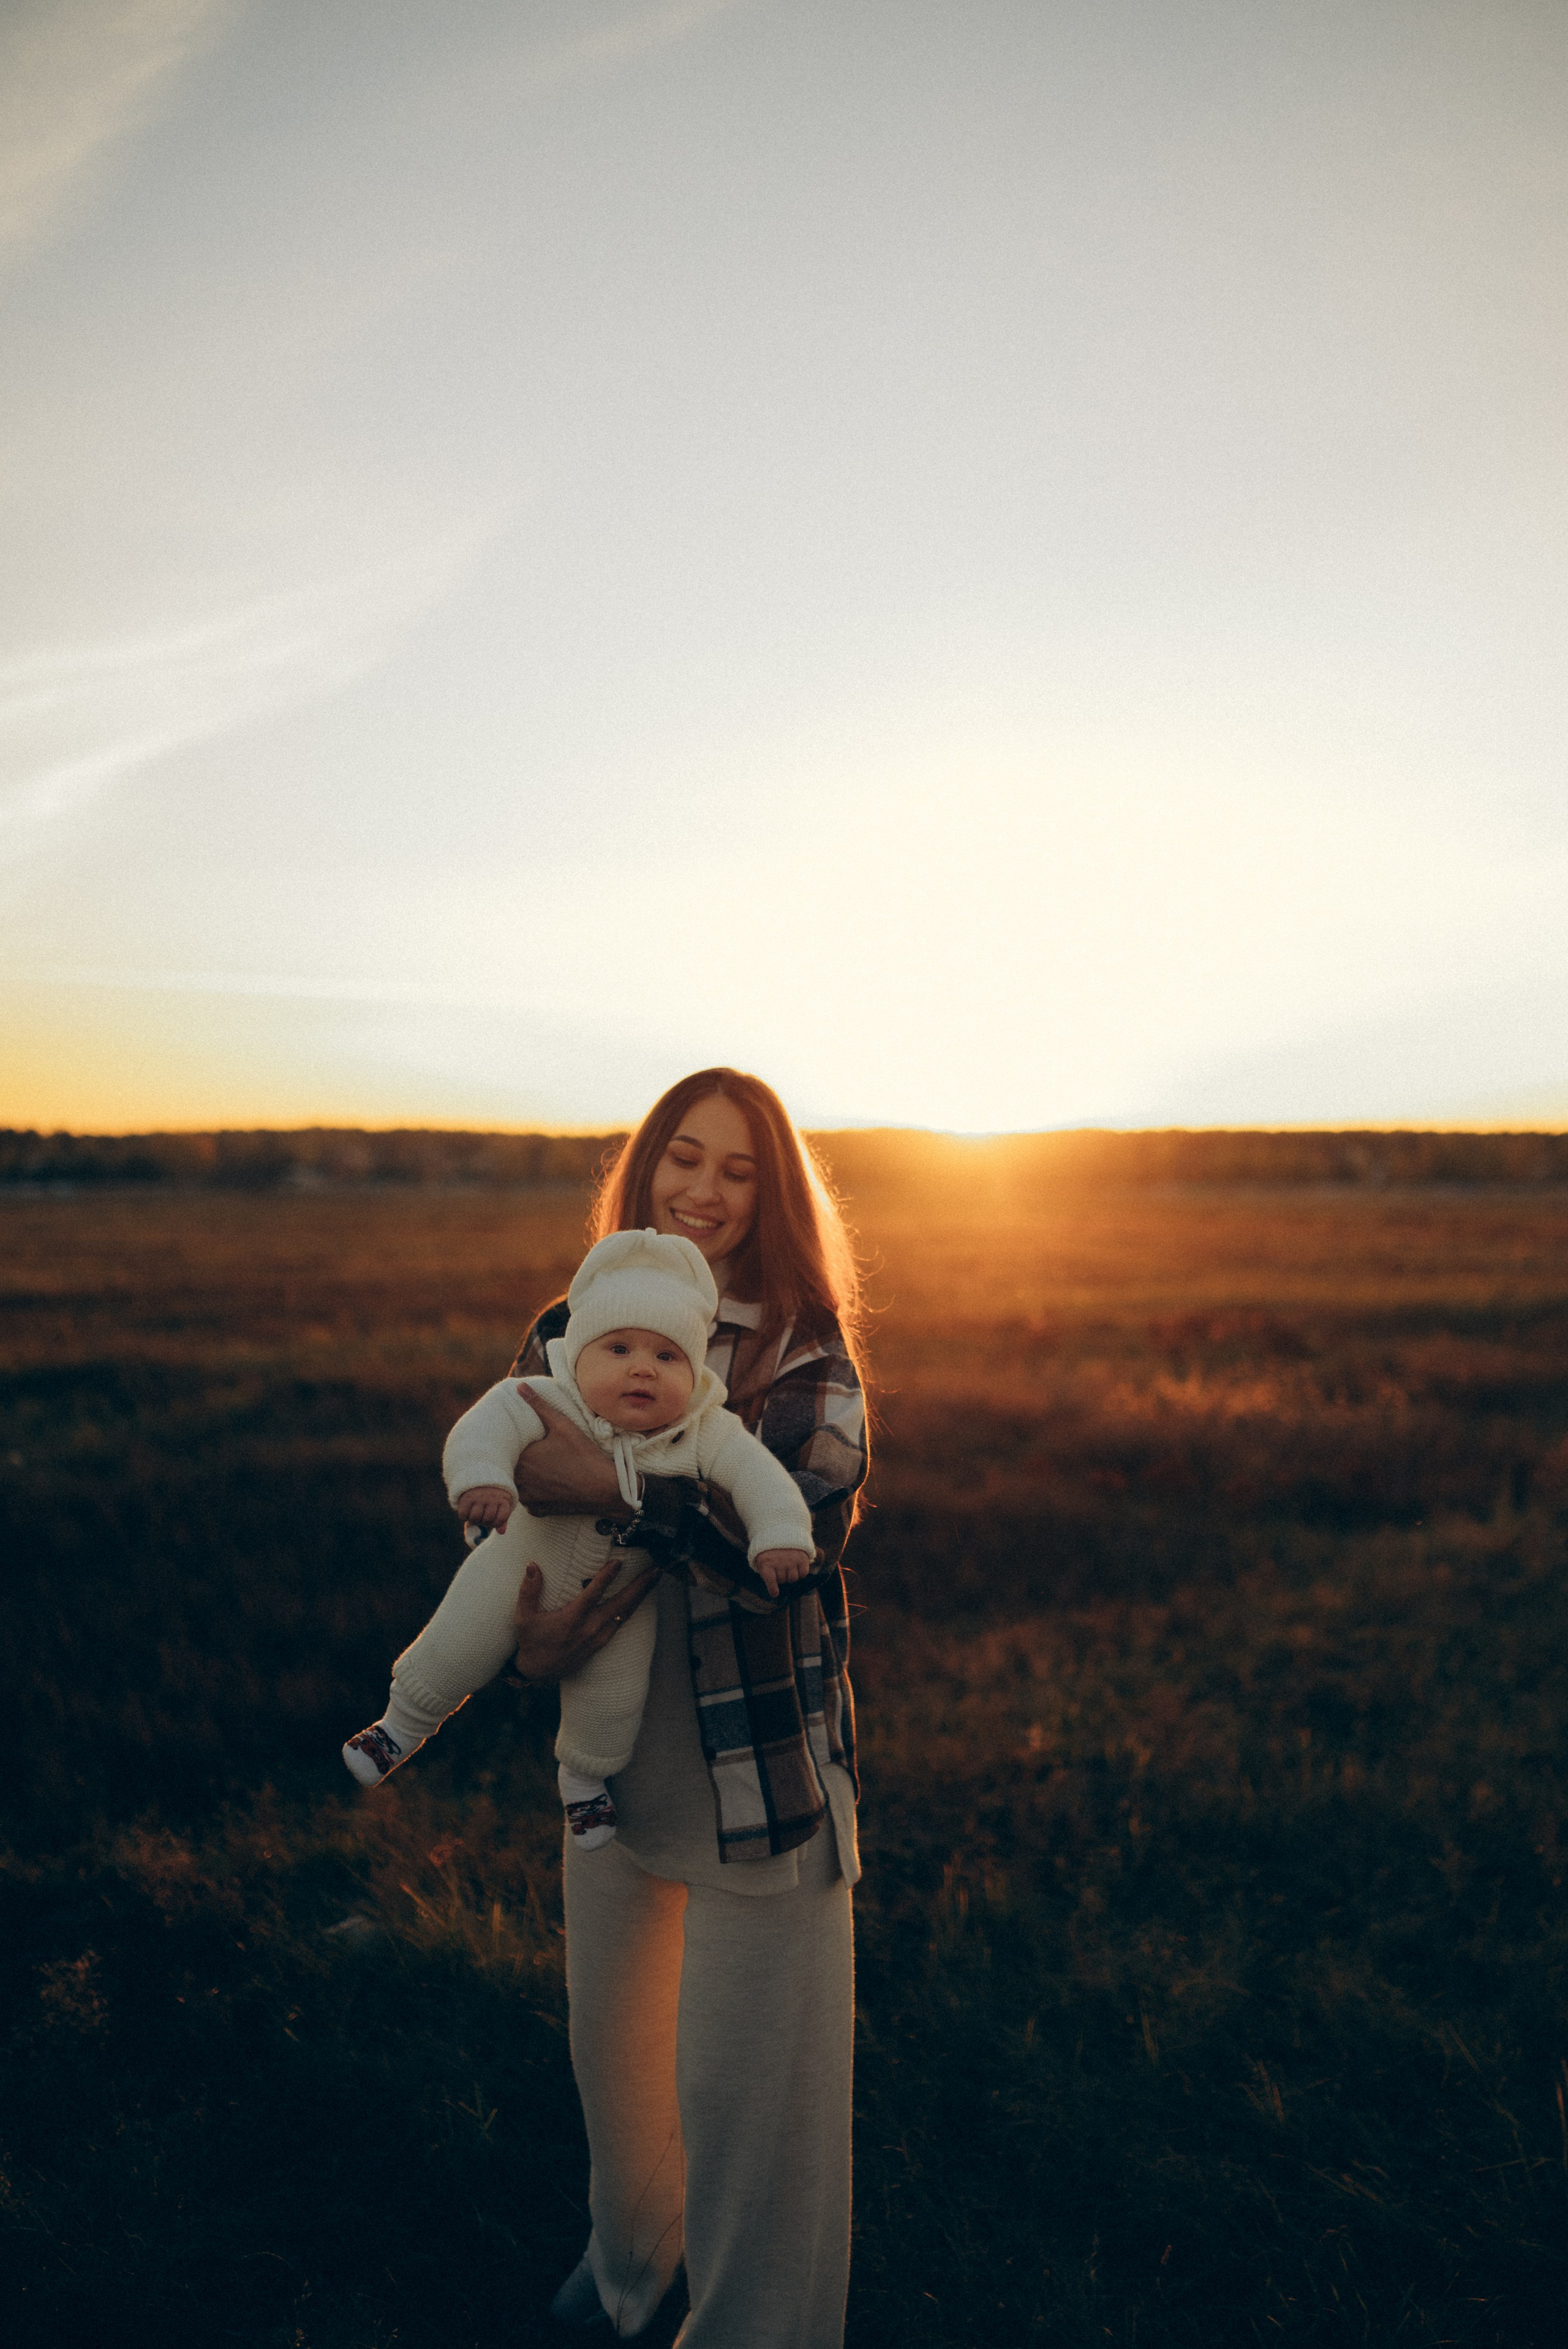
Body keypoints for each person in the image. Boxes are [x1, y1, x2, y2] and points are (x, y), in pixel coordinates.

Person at [502, 1068, 868, 2346]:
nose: (702, 1191)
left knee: (748, 2101)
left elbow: (791, 1537)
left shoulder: (803, 1350)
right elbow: (516, 1514)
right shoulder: (573, 1319)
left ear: (771, 1195)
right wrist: (524, 1640)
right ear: (645, 1165)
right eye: (683, 1158)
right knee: (618, 2070)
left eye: (736, 1170)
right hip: (612, 1760)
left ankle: (755, 2327)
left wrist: (599, 1482)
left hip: (755, 1770)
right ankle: (626, 2275)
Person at [341, 1227, 815, 1852]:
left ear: (694, 1371)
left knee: (615, 1696)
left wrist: (778, 1534)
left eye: (668, 1357)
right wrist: (481, 1480)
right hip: (516, 1566)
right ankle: (398, 1726)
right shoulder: (539, 1398)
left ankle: (585, 1780)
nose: (642, 1367)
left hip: (624, 1602)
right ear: (578, 1354)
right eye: (618, 1348)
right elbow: (480, 1431)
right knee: (457, 1639)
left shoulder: (704, 1431)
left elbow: (762, 1480)